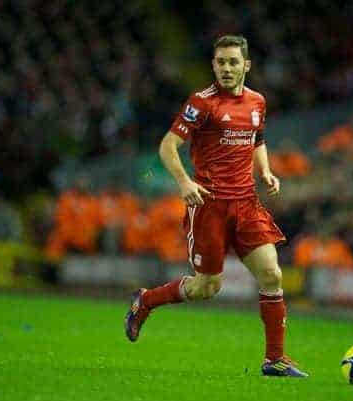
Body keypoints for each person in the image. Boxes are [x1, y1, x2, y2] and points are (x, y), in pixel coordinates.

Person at [125, 35, 308, 378]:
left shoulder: (257, 102)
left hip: (246, 204)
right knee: (206, 287)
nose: (227, 68)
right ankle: (145, 301)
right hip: (208, 206)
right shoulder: (202, 103)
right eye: (221, 62)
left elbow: (258, 139)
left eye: (233, 62)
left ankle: (275, 359)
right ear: (213, 65)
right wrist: (184, 182)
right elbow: (168, 146)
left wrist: (265, 170)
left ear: (246, 66)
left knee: (272, 274)